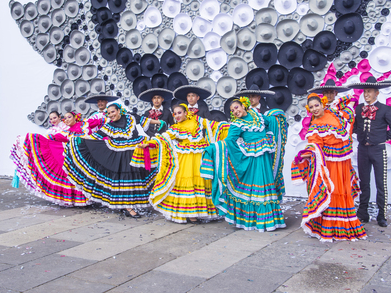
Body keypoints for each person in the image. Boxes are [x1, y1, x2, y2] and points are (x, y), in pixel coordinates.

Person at [201, 97, 288, 231]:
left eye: (236, 107)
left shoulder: (257, 115)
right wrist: (214, 148)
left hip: (264, 157)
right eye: (232, 111)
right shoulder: (236, 125)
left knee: (266, 186)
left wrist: (277, 114)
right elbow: (229, 141)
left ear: (243, 105)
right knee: (257, 188)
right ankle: (254, 220)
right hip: (252, 160)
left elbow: (271, 122)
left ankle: (268, 220)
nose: (235, 111)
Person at [63, 103, 165, 218]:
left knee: (135, 178)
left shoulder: (130, 117)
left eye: (113, 111)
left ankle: (132, 203)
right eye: (109, 113)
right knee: (124, 179)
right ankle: (128, 207)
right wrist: (77, 139)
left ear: (119, 110)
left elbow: (144, 120)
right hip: (120, 157)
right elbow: (94, 137)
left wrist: (159, 122)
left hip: (135, 153)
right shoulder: (108, 126)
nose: (111, 114)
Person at [134, 103, 229, 223]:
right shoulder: (175, 128)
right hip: (185, 160)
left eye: (180, 112)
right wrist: (149, 143)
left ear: (185, 112)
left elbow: (214, 125)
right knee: (187, 184)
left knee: (201, 182)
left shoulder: (197, 120)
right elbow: (163, 138)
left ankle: (199, 212)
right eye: (175, 113)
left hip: (200, 158)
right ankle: (191, 215)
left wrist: (230, 127)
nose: (177, 115)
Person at [291, 93, 366, 241]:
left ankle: (345, 224)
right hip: (330, 165)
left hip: (343, 163)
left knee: (343, 191)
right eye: (311, 107)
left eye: (316, 105)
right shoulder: (315, 125)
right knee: (334, 191)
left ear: (322, 104)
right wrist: (301, 156)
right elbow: (314, 147)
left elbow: (351, 104)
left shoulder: (335, 113)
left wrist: (346, 101)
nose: (314, 109)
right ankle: (331, 226)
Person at [10, 112, 105, 206]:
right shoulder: (66, 132)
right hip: (76, 158)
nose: (67, 119)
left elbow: (102, 121)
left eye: (69, 117)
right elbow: (51, 138)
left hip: (88, 156)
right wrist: (29, 138)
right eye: (65, 118)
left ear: (75, 117)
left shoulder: (85, 123)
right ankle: (81, 199)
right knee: (75, 177)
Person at [348, 77, 391, 227]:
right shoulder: (358, 108)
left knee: (380, 183)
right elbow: (355, 127)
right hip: (363, 150)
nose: (366, 94)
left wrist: (382, 137)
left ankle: (381, 215)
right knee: (364, 182)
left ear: (376, 93)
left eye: (369, 91)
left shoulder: (384, 109)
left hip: (378, 150)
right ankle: (363, 212)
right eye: (365, 91)